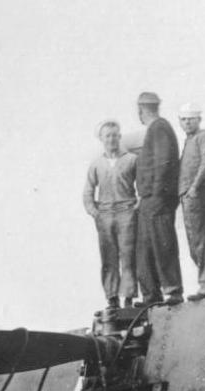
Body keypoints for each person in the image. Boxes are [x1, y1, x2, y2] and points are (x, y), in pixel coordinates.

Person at [83, 120, 138, 309]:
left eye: (115, 135)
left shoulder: (131, 159)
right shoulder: (96, 165)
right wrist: (94, 212)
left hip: (127, 213)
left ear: (119, 137)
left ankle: (129, 297)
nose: (112, 139)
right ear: (102, 139)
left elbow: (143, 184)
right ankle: (112, 297)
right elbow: (88, 191)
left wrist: (137, 205)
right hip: (105, 215)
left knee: (129, 256)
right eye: (108, 136)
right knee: (109, 258)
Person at [135, 92, 183, 306]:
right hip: (148, 198)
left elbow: (163, 162)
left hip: (157, 197)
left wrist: (156, 193)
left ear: (141, 110)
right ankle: (151, 295)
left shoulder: (159, 127)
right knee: (146, 248)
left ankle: (172, 291)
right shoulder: (155, 129)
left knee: (163, 243)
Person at [178, 103, 205, 301]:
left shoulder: (203, 137)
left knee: (201, 240)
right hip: (189, 197)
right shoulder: (189, 140)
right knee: (195, 243)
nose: (187, 122)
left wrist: (194, 186)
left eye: (191, 119)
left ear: (199, 120)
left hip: (199, 194)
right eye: (184, 119)